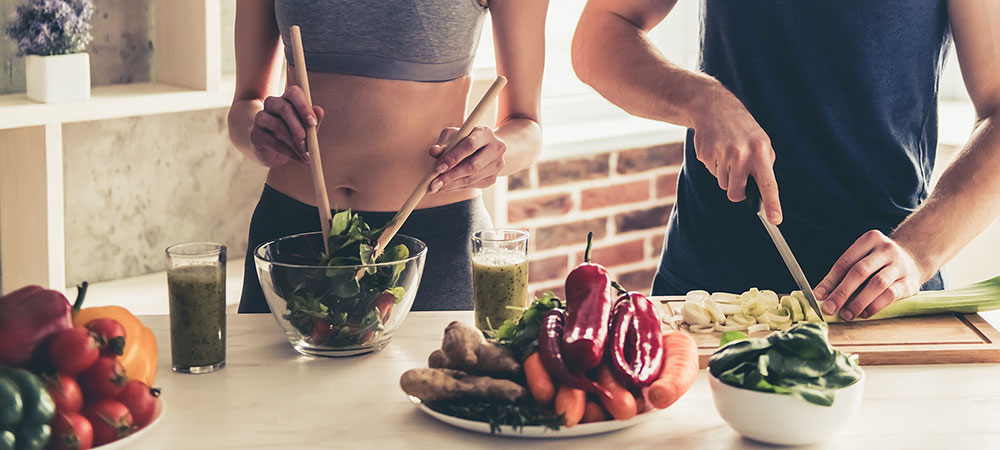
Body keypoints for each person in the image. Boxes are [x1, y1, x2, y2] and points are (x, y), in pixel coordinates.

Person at [572, 1, 1000, 320]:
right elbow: (599, 35)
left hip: (879, 297)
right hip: (708, 296)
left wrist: (917, 251)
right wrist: (699, 99)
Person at [228, 0, 547, 313]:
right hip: (291, 234)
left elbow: (527, 126)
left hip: (432, 240)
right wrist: (258, 134)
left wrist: (495, 152)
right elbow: (245, 102)